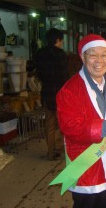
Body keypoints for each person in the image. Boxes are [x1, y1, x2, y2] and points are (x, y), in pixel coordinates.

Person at [55, 34, 106, 208]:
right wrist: (105, 127)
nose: (99, 60)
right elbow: (70, 127)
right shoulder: (69, 90)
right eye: (93, 55)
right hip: (87, 169)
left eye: (104, 55)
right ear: (83, 56)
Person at [33, 28, 69, 160]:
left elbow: (39, 74)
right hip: (61, 95)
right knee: (63, 124)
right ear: (58, 40)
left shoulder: (39, 53)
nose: (62, 43)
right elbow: (65, 77)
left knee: (50, 125)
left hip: (47, 93)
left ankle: (50, 152)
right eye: (61, 41)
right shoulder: (61, 55)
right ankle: (61, 149)